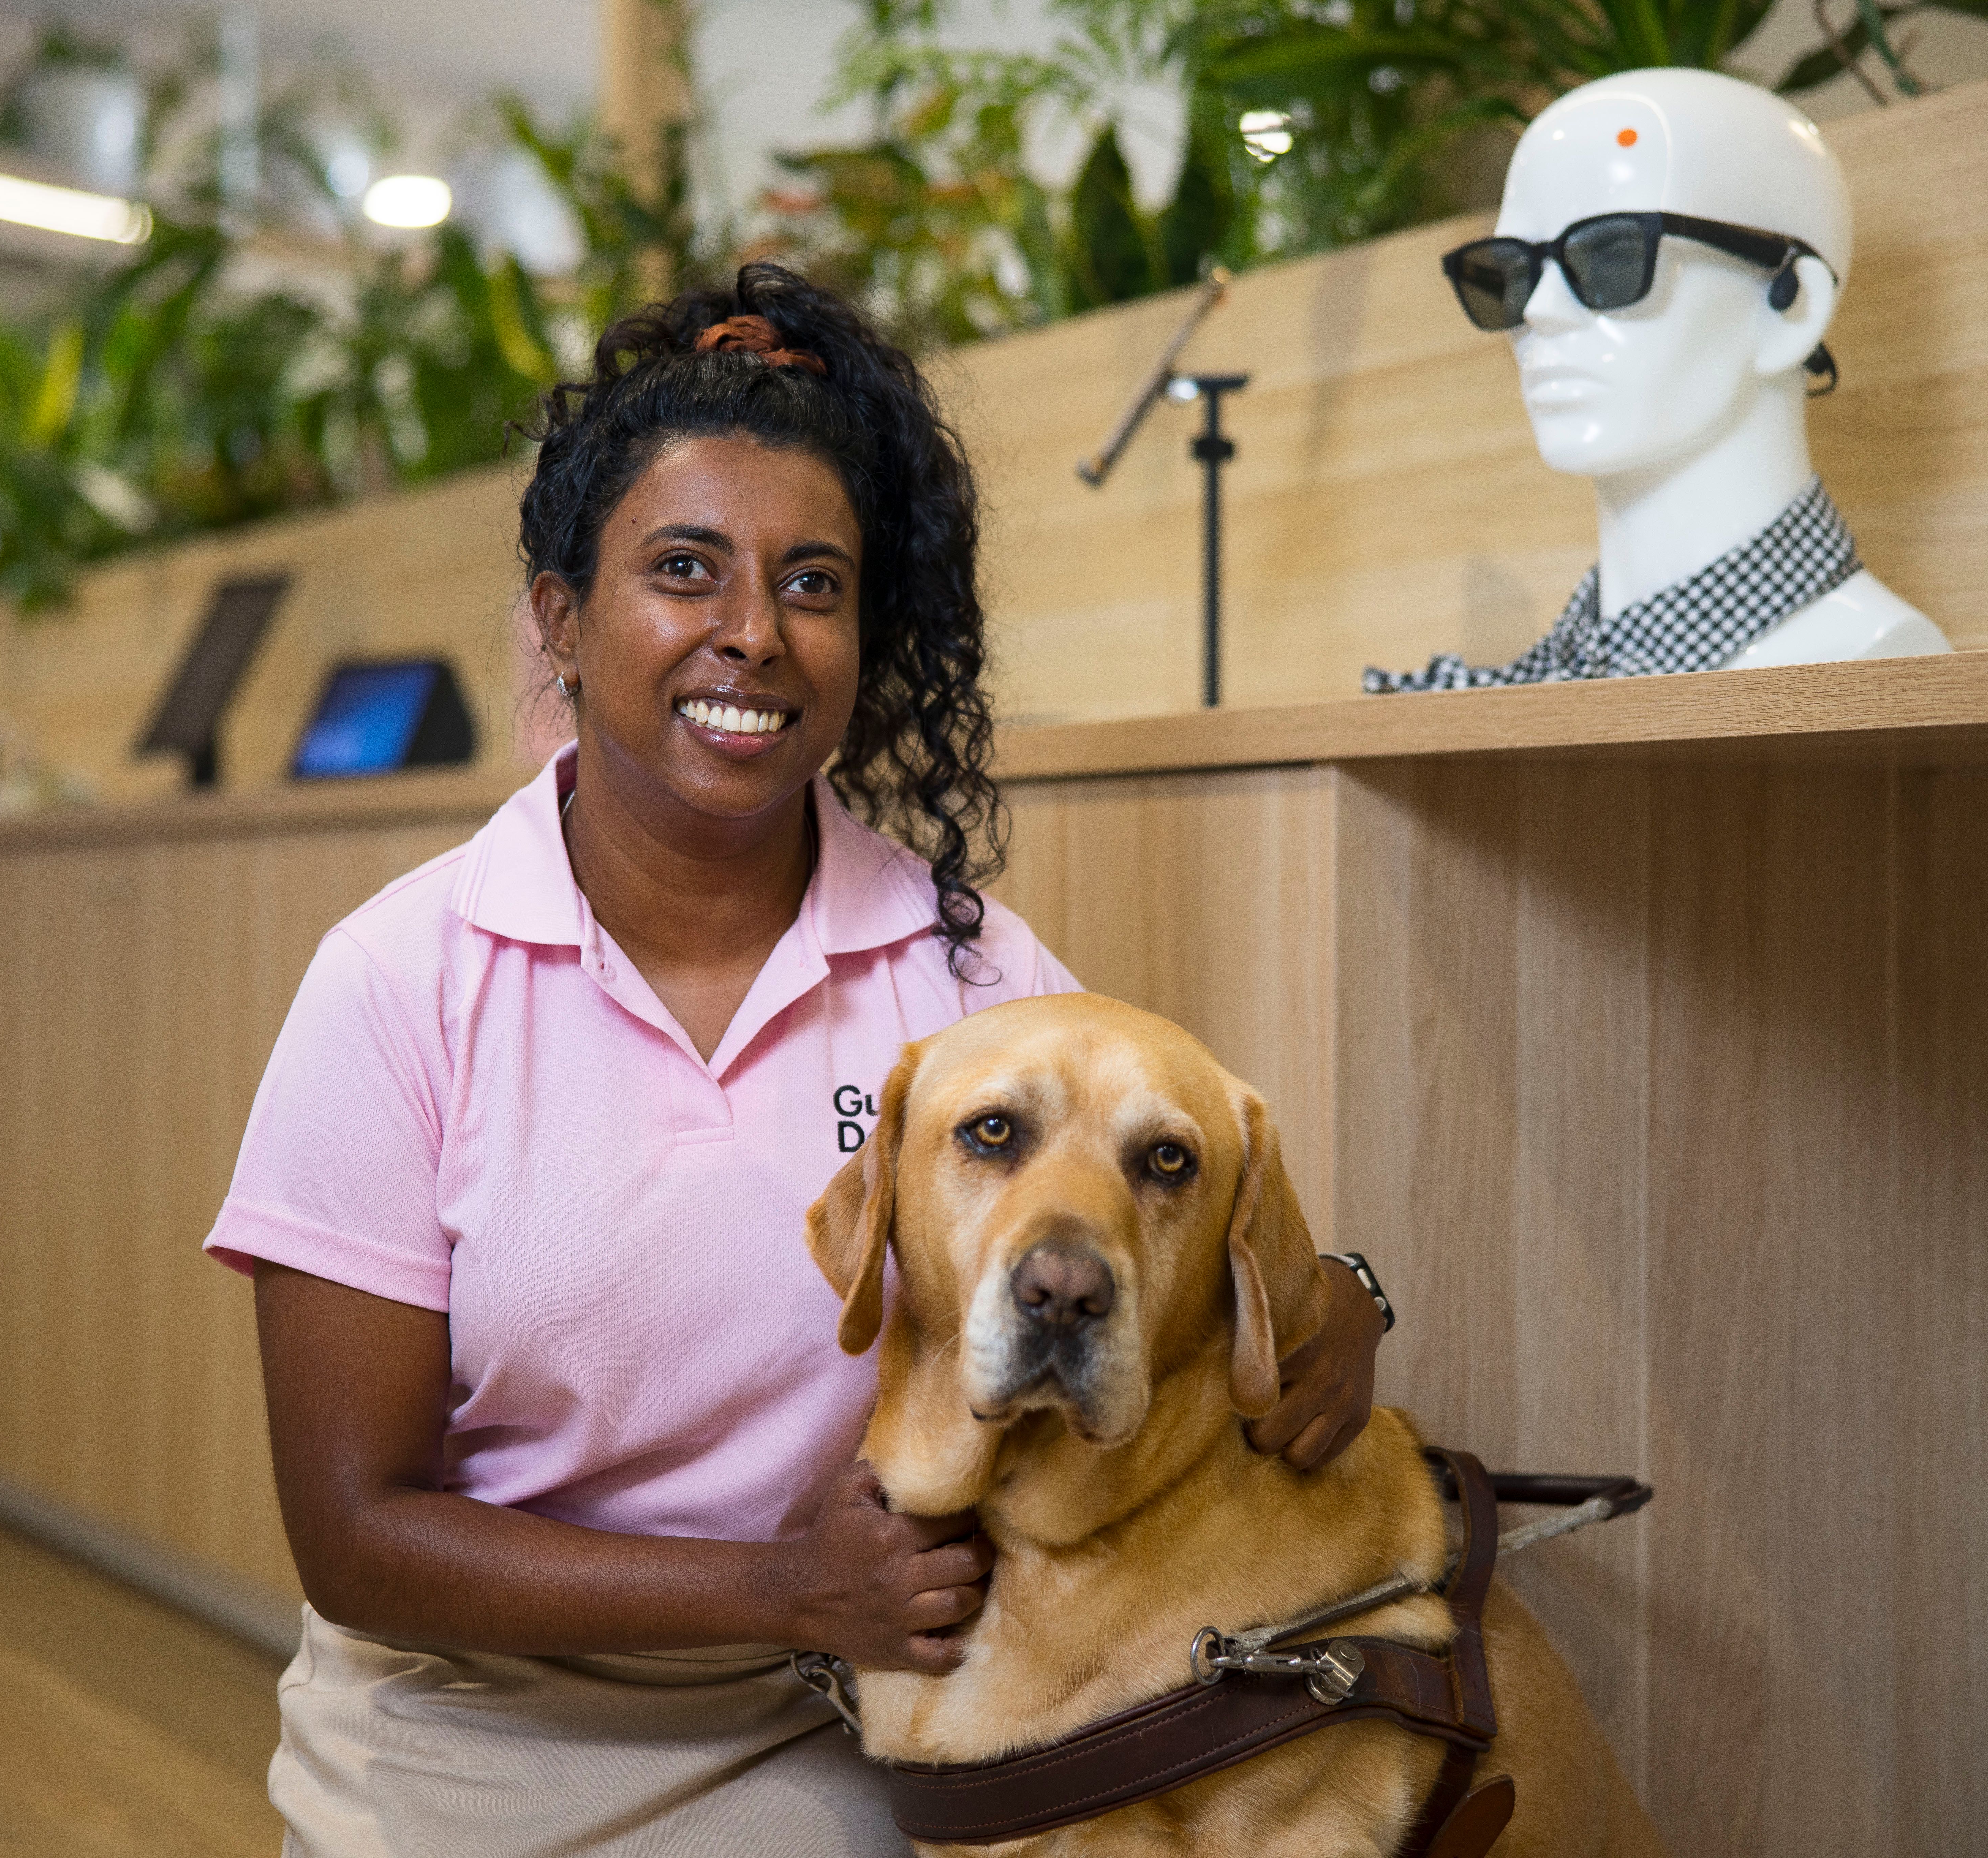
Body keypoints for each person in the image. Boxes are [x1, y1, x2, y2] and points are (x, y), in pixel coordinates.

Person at [203, 266, 1388, 1857]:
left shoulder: (971, 979)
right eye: (683, 569)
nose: (751, 635)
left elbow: (1139, 1273)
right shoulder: (396, 983)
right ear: (561, 615)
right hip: (460, 1740)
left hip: (850, 1721)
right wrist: (771, 1582)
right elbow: (353, 1536)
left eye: (813, 584)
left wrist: (1339, 1304)